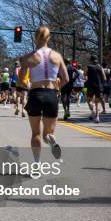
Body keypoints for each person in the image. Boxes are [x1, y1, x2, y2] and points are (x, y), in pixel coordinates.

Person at [20, 26, 69, 161]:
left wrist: (29, 86)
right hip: (51, 95)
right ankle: (50, 139)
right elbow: (66, 79)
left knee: (35, 133)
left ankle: (36, 163)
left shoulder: (28, 57)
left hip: (35, 94)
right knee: (47, 133)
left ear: (36, 38)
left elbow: (21, 81)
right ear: (49, 38)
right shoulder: (57, 56)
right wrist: (57, 88)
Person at [85, 55, 106, 123]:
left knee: (88, 100)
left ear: (91, 60)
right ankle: (97, 117)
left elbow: (84, 75)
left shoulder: (89, 67)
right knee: (97, 102)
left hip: (90, 86)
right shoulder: (100, 67)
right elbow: (104, 78)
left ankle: (92, 111)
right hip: (99, 86)